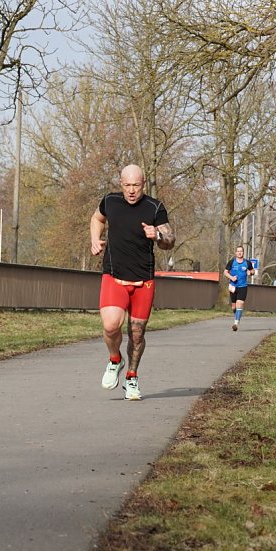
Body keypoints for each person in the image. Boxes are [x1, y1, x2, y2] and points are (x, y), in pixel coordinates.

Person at [90, 164, 175, 400]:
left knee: (137, 334)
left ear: (143, 184)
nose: (131, 190)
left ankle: (131, 377)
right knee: (110, 326)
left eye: (136, 185)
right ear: (120, 183)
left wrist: (157, 235)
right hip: (114, 276)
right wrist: (95, 239)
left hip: (143, 281)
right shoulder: (110, 201)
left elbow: (170, 239)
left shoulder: (154, 207)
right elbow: (96, 219)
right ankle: (115, 359)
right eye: (127, 185)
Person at [224, 245, 255, 331]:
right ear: (236, 253)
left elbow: (253, 271)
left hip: (243, 287)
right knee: (234, 307)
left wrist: (250, 273)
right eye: (238, 251)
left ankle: (236, 323)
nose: (239, 252)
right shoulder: (231, 262)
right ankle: (237, 314)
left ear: (243, 252)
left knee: (240, 304)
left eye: (241, 251)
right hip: (233, 287)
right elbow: (225, 272)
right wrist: (231, 277)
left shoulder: (247, 263)